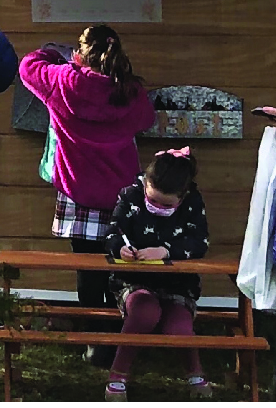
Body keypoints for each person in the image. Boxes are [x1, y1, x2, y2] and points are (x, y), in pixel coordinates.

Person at [18, 25, 155, 348]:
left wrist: (54, 53)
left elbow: (27, 67)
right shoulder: (131, 92)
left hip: (76, 195)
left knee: (86, 267)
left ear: (79, 55)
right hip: (122, 196)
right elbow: (146, 119)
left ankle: (94, 340)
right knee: (120, 269)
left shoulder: (62, 81)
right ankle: (121, 336)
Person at [104, 148, 211, 401]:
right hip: (133, 280)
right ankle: (117, 376)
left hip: (178, 284)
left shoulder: (193, 202)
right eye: (152, 200)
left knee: (180, 327)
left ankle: (195, 373)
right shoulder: (130, 195)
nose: (158, 207)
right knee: (144, 312)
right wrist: (120, 247)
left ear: (183, 196)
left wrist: (165, 250)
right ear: (146, 183)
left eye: (167, 204)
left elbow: (200, 243)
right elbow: (111, 232)